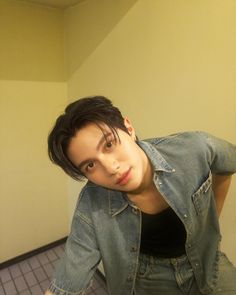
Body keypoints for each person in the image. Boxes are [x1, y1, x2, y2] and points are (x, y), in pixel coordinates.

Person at [45, 96, 236, 295]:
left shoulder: (194, 149)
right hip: (149, 278)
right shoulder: (92, 202)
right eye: (90, 165)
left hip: (207, 259)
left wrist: (214, 217)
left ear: (129, 128)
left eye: (109, 144)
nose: (111, 168)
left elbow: (228, 163)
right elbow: (71, 272)